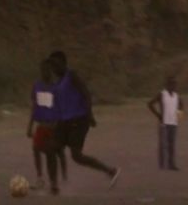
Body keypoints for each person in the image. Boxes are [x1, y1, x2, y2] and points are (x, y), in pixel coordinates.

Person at [48, 52, 122, 187]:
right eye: (52, 66)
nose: (54, 68)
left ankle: (110, 170)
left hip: (79, 120)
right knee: (52, 148)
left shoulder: (72, 76)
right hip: (64, 121)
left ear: (64, 63)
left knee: (76, 156)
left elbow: (86, 93)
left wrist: (90, 114)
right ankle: (54, 185)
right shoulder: (57, 84)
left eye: (56, 64)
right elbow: (60, 105)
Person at [26, 59, 66, 193]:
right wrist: (30, 126)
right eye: (44, 70)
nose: (46, 72)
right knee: (36, 148)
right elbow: (34, 107)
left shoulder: (56, 88)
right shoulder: (37, 86)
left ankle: (53, 183)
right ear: (41, 71)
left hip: (53, 127)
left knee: (50, 155)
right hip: (41, 126)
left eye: (48, 70)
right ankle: (40, 178)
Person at [146, 75, 182, 170]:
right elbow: (150, 104)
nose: (173, 86)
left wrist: (178, 118)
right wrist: (158, 115)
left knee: (171, 144)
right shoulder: (162, 94)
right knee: (163, 144)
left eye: (174, 84)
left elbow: (181, 106)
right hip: (164, 123)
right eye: (171, 84)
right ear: (167, 85)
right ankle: (162, 164)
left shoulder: (176, 96)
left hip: (173, 123)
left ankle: (171, 164)